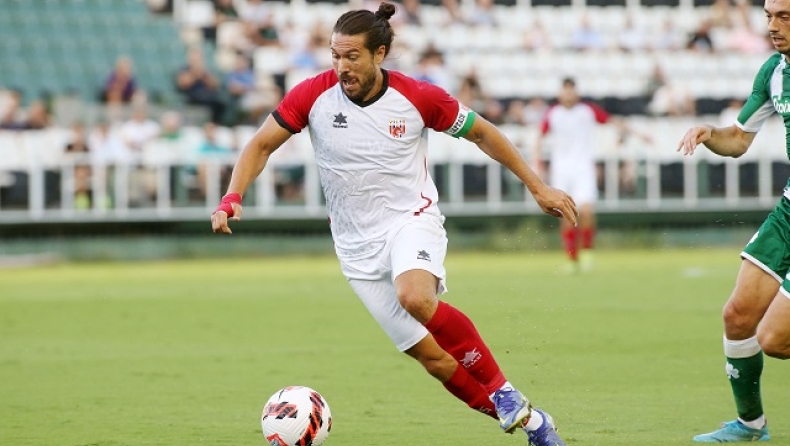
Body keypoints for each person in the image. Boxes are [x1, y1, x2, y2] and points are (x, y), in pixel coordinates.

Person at [211, 4, 576, 445]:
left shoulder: (419, 97)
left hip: (410, 221)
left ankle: (503, 391)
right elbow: (260, 145)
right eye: (335, 56)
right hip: (355, 251)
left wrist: (538, 187)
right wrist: (232, 196)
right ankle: (535, 425)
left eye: (352, 57)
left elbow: (483, 133)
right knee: (437, 362)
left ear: (379, 54)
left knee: (414, 296)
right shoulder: (313, 95)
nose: (342, 67)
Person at [676, 0, 790, 441]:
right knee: (738, 316)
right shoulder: (774, 71)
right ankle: (750, 425)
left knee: (775, 339)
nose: (773, 26)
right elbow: (739, 139)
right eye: (768, 16)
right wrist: (710, 133)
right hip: (788, 213)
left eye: (784, 16)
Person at [534, 77, 646, 273]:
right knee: (565, 215)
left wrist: (640, 134)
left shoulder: (587, 111)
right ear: (561, 93)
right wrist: (538, 162)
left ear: (576, 92)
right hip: (562, 170)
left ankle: (587, 254)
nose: (569, 94)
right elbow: (539, 138)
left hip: (583, 168)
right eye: (565, 90)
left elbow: (612, 121)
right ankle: (571, 259)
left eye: (571, 90)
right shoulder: (553, 114)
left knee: (586, 211)